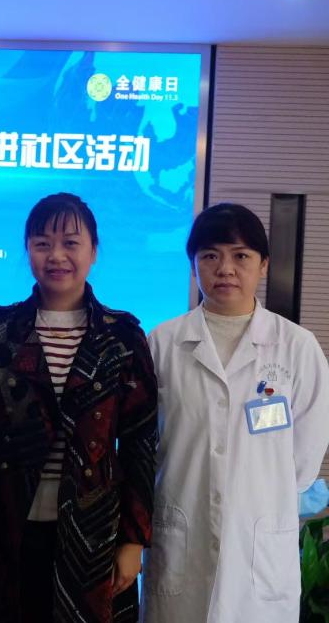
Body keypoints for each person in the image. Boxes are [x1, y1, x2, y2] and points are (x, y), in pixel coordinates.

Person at [0, 192, 157, 623]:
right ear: (27, 250)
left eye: (70, 243)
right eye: (42, 243)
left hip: (94, 534)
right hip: (5, 523)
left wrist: (134, 540)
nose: (56, 256)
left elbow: (140, 442)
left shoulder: (121, 337)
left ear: (93, 251)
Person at [141, 203, 329, 622]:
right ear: (193, 266)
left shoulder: (296, 347)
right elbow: (144, 442)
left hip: (260, 548)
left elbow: (305, 454)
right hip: (180, 535)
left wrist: (258, 486)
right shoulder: (163, 343)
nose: (225, 268)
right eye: (210, 255)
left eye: (240, 255)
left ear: (263, 265)